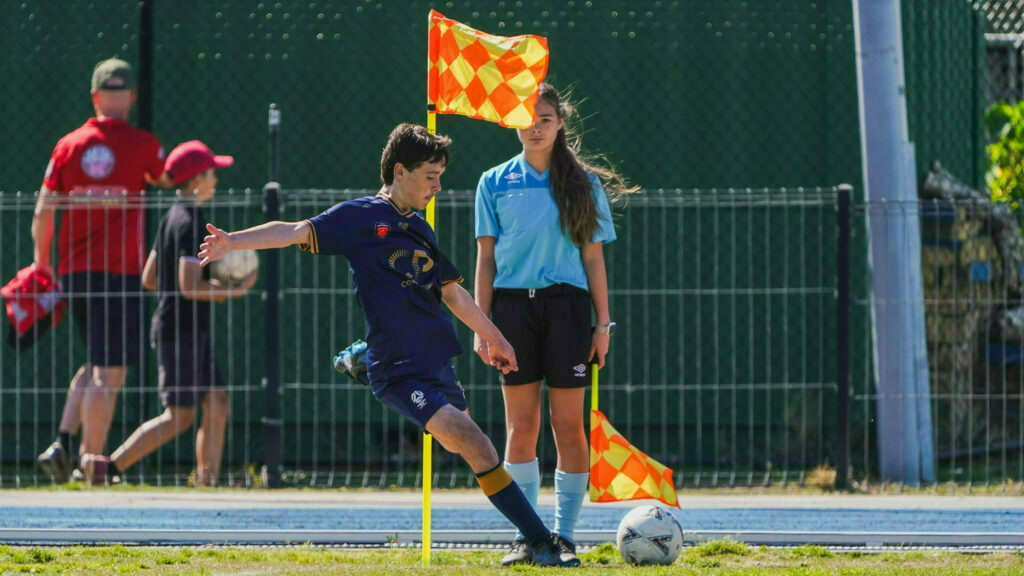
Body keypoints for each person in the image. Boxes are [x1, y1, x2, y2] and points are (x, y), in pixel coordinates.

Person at [198, 124, 577, 567]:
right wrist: (233, 242)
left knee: (467, 448)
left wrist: (494, 337)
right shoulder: (360, 218)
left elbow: (451, 291)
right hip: (398, 369)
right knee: (476, 443)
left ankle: (360, 356)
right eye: (431, 176)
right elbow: (294, 230)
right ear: (401, 171)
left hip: (436, 360)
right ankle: (541, 542)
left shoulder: (419, 226)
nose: (438, 185)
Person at [473, 83, 635, 566]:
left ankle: (563, 537)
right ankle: (529, 537)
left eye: (545, 118)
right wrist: (484, 326)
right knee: (520, 426)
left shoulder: (583, 182)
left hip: (567, 310)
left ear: (560, 123)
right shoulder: (494, 181)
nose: (535, 127)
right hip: (510, 312)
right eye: (527, 118)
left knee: (567, 425)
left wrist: (602, 325)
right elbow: (485, 259)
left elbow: (593, 258)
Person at [80, 141, 252, 486]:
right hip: (180, 331)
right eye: (211, 173)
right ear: (194, 180)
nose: (215, 179)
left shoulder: (171, 217)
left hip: (187, 328)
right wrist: (234, 289)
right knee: (179, 416)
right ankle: (107, 467)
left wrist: (189, 285)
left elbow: (149, 277)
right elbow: (189, 287)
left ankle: (207, 482)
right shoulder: (190, 222)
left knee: (217, 402)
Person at [34, 58, 168, 482]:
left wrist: (42, 266)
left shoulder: (67, 145)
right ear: (130, 97)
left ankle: (62, 441)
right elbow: (167, 178)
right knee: (109, 373)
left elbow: (42, 211)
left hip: (74, 273)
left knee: (95, 364)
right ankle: (91, 467)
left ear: (95, 97)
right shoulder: (143, 144)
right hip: (120, 274)